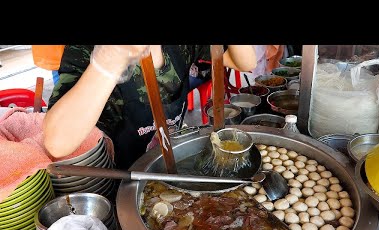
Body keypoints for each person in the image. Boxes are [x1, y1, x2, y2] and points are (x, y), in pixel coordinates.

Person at [43, 45, 256, 170]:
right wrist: (108, 62)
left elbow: (245, 63)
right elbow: (57, 143)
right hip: (120, 182)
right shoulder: (88, 50)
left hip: (166, 165)